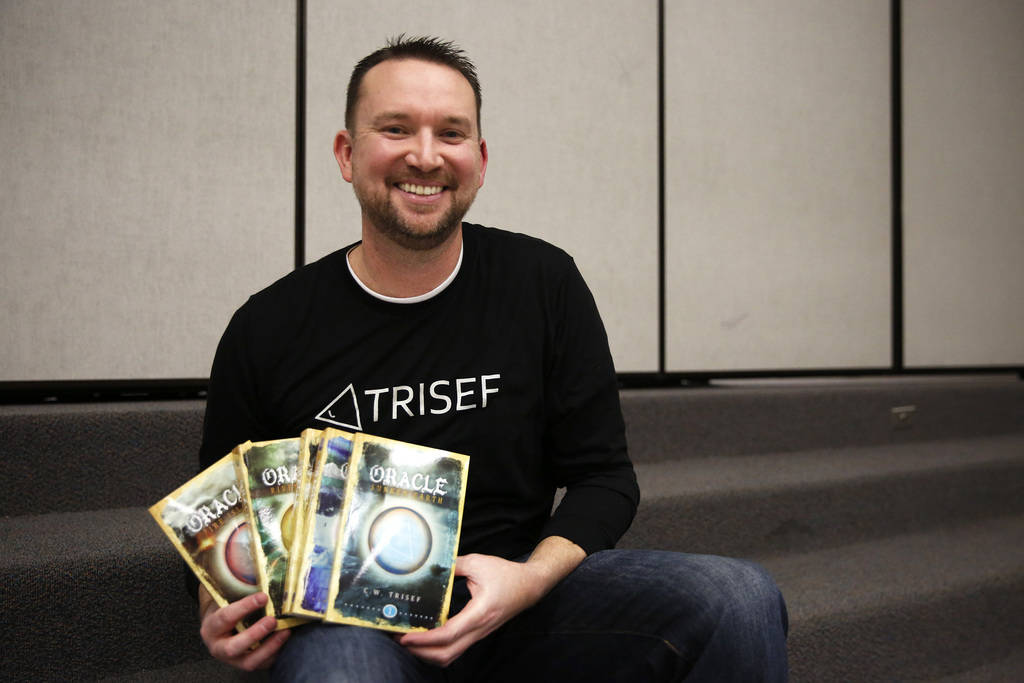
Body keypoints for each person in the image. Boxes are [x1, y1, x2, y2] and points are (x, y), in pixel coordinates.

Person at [196, 36, 788, 681]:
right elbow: (227, 522)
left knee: (738, 598)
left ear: (479, 159)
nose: (425, 156)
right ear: (347, 153)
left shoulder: (542, 282)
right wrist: (220, 605)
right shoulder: (268, 327)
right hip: (356, 629)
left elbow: (605, 480)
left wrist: (529, 580)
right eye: (396, 129)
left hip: (519, 603)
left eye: (451, 134)